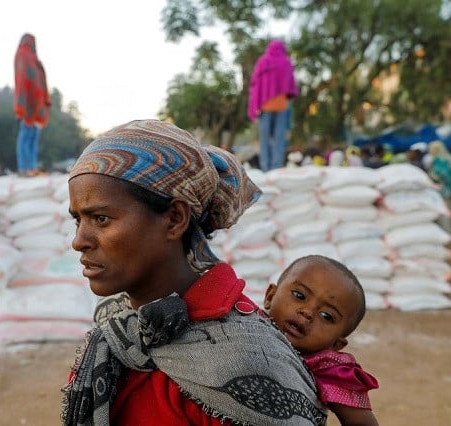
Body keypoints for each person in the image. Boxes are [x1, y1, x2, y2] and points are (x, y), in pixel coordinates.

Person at [61, 119, 328, 425]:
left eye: (102, 218)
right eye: (77, 221)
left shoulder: (245, 356)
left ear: (175, 218)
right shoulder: (117, 329)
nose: (79, 241)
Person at [263, 255, 379, 426]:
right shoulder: (241, 324)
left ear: (336, 345)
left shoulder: (328, 368)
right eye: (299, 295)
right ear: (270, 297)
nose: (307, 312)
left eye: (326, 316)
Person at [248, 39, 299, 173]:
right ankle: (276, 167)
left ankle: (265, 167)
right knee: (279, 137)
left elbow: (255, 83)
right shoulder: (286, 62)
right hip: (281, 105)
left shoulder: (263, 61)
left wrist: (257, 101)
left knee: (264, 138)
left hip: (265, 105)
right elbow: (290, 84)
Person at [13, 33, 51, 177]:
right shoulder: (22, 54)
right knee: (26, 135)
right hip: (28, 101)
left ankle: (33, 167)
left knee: (34, 136)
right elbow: (22, 79)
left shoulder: (34, 59)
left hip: (37, 102)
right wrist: (23, 102)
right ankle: (24, 168)